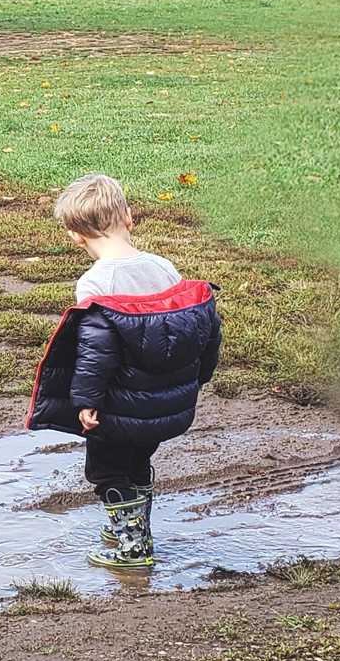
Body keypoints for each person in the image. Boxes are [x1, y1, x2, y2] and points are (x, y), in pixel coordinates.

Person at [27, 175, 220, 569]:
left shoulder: (97, 283)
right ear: (129, 219)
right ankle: (130, 525)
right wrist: (200, 375)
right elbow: (200, 329)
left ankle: (134, 548)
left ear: (75, 237)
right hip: (163, 401)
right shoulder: (165, 268)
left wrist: (85, 401)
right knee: (135, 459)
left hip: (118, 405)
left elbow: (94, 353)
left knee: (106, 470)